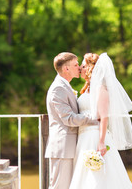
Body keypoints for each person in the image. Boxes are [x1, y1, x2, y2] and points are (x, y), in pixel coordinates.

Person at [69, 52, 132, 189]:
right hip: (83, 137)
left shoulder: (101, 89)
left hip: (94, 135)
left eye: (83, 66)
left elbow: (104, 117)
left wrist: (101, 142)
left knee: (98, 176)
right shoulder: (88, 89)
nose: (80, 68)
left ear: (90, 68)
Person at [45, 52, 98, 189]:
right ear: (66, 69)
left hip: (71, 146)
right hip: (63, 147)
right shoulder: (58, 88)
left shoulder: (65, 86)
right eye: (75, 65)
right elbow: (69, 119)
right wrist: (94, 118)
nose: (79, 68)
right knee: (59, 187)